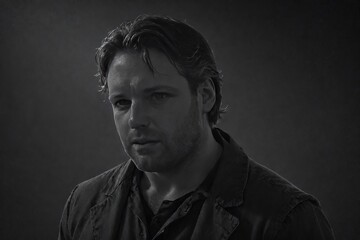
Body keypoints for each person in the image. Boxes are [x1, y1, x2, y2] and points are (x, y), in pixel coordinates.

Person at [58, 15, 335, 240]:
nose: (135, 119)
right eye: (121, 102)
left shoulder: (287, 219)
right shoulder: (83, 205)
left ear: (205, 95)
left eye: (158, 96)